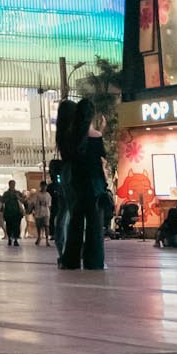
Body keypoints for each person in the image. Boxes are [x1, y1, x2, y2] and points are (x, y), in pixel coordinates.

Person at [59, 113, 108, 271]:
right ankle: (94, 260)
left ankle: (70, 259)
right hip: (93, 185)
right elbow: (101, 157)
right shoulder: (95, 136)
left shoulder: (71, 137)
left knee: (75, 222)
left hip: (77, 184)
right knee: (94, 224)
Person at [0, 181, 25, 247]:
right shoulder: (6, 193)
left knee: (16, 226)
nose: (12, 185)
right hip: (8, 212)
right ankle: (10, 238)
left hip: (16, 212)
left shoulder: (17, 192)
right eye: (11, 184)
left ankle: (16, 239)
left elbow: (23, 200)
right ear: (9, 185)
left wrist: (18, 197)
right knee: (9, 226)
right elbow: (2, 201)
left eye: (13, 184)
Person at [30, 181, 51, 247]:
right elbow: (33, 203)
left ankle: (47, 240)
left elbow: (49, 204)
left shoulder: (48, 195)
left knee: (46, 226)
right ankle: (39, 237)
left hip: (46, 212)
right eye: (43, 186)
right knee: (38, 226)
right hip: (38, 212)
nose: (44, 187)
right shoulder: (37, 195)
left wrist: (50, 212)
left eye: (45, 186)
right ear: (41, 186)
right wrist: (31, 210)